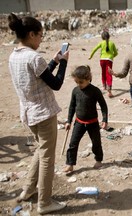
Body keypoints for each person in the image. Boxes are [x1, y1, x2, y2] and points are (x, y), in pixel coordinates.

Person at [8, 13, 69, 214]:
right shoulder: (34, 57)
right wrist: (65, 62)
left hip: (28, 113)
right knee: (47, 158)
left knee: (39, 151)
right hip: (43, 114)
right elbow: (56, 84)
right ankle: (45, 202)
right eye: (40, 35)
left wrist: (54, 61)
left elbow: (40, 76)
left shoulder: (14, 55)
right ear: (32, 34)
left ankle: (27, 190)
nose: (41, 39)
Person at [63, 65, 108, 173]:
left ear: (88, 79)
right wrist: (68, 121)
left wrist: (105, 120)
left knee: (96, 142)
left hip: (92, 123)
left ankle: (98, 160)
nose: (79, 84)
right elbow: (72, 106)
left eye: (81, 82)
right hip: (79, 122)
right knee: (73, 143)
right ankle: (70, 164)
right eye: (76, 82)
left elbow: (103, 106)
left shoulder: (95, 91)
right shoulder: (75, 91)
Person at [88, 31, 118, 98]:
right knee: (109, 73)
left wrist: (90, 56)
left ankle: (104, 86)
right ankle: (109, 89)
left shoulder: (101, 43)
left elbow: (94, 49)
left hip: (102, 60)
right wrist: (111, 56)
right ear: (109, 36)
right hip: (109, 60)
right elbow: (116, 53)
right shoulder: (112, 43)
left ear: (102, 37)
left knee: (103, 72)